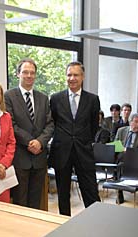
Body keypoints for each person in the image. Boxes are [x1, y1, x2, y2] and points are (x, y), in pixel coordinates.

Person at [49, 61, 101, 216]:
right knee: (63, 193)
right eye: (69, 75)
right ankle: (64, 222)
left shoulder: (92, 99)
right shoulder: (56, 98)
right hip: (62, 152)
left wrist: (82, 140)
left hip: (83, 151)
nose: (72, 78)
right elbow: (54, 123)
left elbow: (93, 127)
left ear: (82, 77)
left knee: (90, 191)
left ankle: (95, 221)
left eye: (76, 75)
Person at [4, 57, 54, 209]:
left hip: (39, 158)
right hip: (20, 158)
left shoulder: (43, 98)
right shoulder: (8, 96)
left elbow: (50, 124)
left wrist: (40, 142)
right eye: (25, 72)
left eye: (32, 73)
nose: (29, 76)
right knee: (20, 201)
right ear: (18, 74)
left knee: (36, 201)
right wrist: (30, 141)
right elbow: (10, 124)